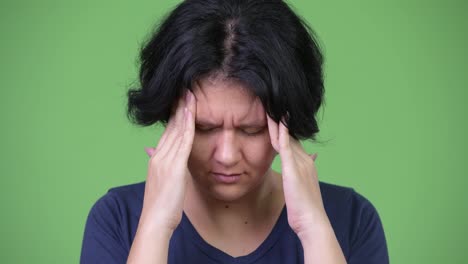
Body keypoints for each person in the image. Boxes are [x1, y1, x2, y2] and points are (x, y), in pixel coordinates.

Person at [80, 0, 389, 263]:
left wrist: (313, 228)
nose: (226, 155)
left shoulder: (351, 219)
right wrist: (156, 225)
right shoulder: (117, 219)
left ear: (289, 120)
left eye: (252, 129)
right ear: (168, 114)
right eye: (204, 128)